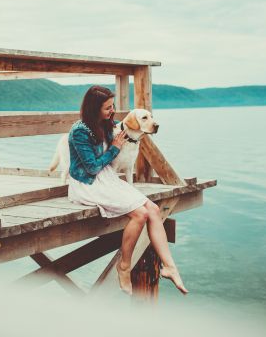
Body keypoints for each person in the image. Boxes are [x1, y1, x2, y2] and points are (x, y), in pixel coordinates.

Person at [67, 85, 188, 296]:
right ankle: (124, 266)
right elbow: (92, 167)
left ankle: (170, 266)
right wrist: (114, 147)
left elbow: (127, 127)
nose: (112, 111)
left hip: (107, 179)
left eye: (112, 106)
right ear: (93, 109)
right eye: (107, 108)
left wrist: (142, 128)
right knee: (140, 214)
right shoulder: (79, 131)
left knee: (153, 210)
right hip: (87, 183)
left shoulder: (106, 124)